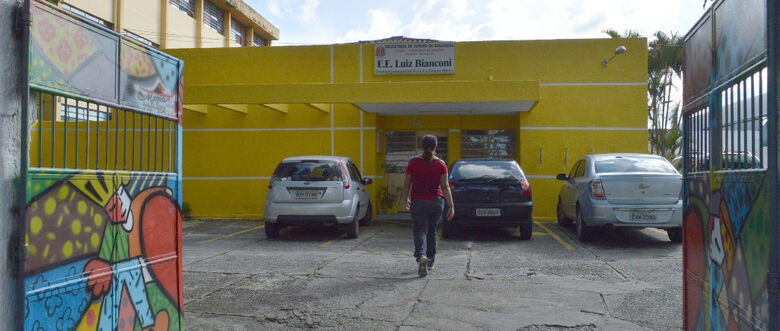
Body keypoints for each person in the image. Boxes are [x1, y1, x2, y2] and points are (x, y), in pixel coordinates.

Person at [402, 135, 455, 277]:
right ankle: (430, 260)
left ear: (421, 146)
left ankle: (421, 257)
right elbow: (445, 186)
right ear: (436, 146)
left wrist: (405, 199)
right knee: (432, 231)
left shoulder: (413, 162)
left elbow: (407, 183)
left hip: (418, 202)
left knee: (420, 230)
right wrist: (451, 205)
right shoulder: (441, 164)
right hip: (436, 202)